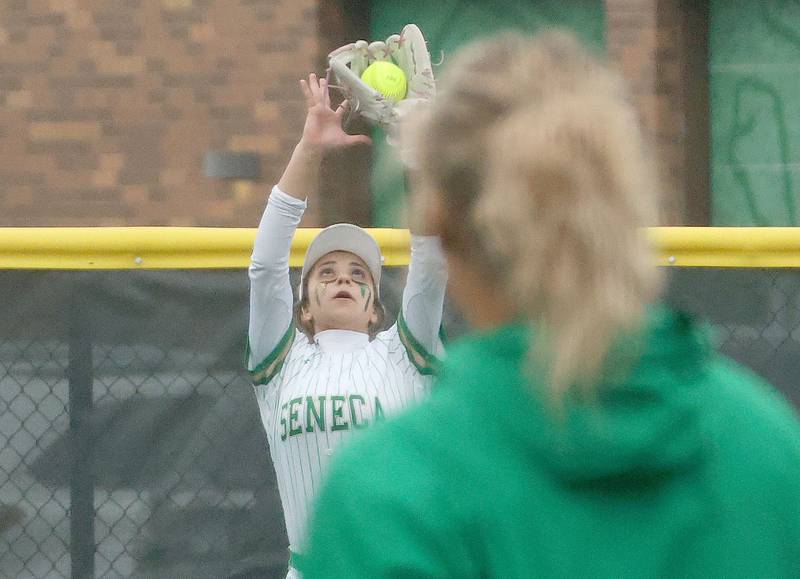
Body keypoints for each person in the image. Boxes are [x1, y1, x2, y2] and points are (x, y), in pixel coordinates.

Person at [301, 31, 800, 578]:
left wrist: (429, 171)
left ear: (440, 225)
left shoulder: (388, 495)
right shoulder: (771, 454)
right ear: (627, 209)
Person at [247, 72, 447, 579]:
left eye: (359, 274)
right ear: (304, 308)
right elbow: (267, 265)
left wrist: (417, 157)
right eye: (326, 272)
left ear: (375, 308)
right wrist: (309, 148)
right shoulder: (282, 363)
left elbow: (431, 260)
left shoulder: (403, 355)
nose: (343, 278)